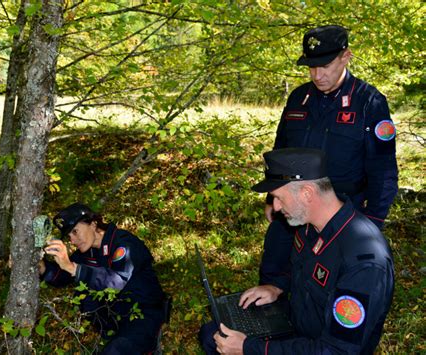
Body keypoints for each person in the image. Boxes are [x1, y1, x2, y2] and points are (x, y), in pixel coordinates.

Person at [199, 148, 394, 354]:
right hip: (297, 327)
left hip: (319, 347)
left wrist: (251, 349)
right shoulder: (309, 225)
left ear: (307, 193)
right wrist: (276, 287)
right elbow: (302, 270)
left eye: (279, 198)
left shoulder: (364, 263)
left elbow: (335, 350)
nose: (274, 206)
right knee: (213, 335)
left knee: (228, 344)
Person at [260, 24, 398, 305]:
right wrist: (271, 198)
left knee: (322, 291)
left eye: (325, 65)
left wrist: (372, 224)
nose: (317, 75)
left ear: (345, 56)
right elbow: (280, 152)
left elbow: (383, 171)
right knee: (274, 277)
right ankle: (266, 336)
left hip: (342, 215)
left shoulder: (369, 102)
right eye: (311, 67)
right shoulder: (299, 98)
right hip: (292, 209)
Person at [39, 202, 166, 354]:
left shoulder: (124, 243)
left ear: (93, 224)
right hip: (118, 315)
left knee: (116, 350)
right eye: (69, 236)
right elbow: (62, 276)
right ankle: (114, 334)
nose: (72, 240)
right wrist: (40, 266)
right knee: (84, 294)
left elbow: (115, 282)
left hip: (144, 312)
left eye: (75, 232)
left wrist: (72, 267)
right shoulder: (88, 251)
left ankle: (150, 342)